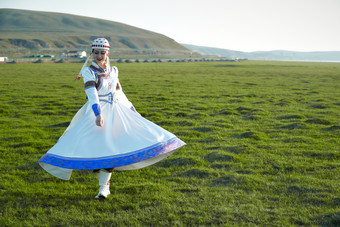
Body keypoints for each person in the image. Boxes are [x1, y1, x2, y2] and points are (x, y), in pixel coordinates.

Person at [39, 38, 185, 199]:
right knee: (94, 149)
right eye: (97, 53)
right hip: (95, 114)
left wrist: (132, 110)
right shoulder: (89, 72)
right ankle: (100, 178)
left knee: (111, 150)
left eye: (103, 52)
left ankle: (103, 189)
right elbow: (92, 95)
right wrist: (98, 114)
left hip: (116, 113)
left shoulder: (114, 70)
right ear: (92, 53)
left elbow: (119, 92)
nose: (100, 55)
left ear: (108, 53)